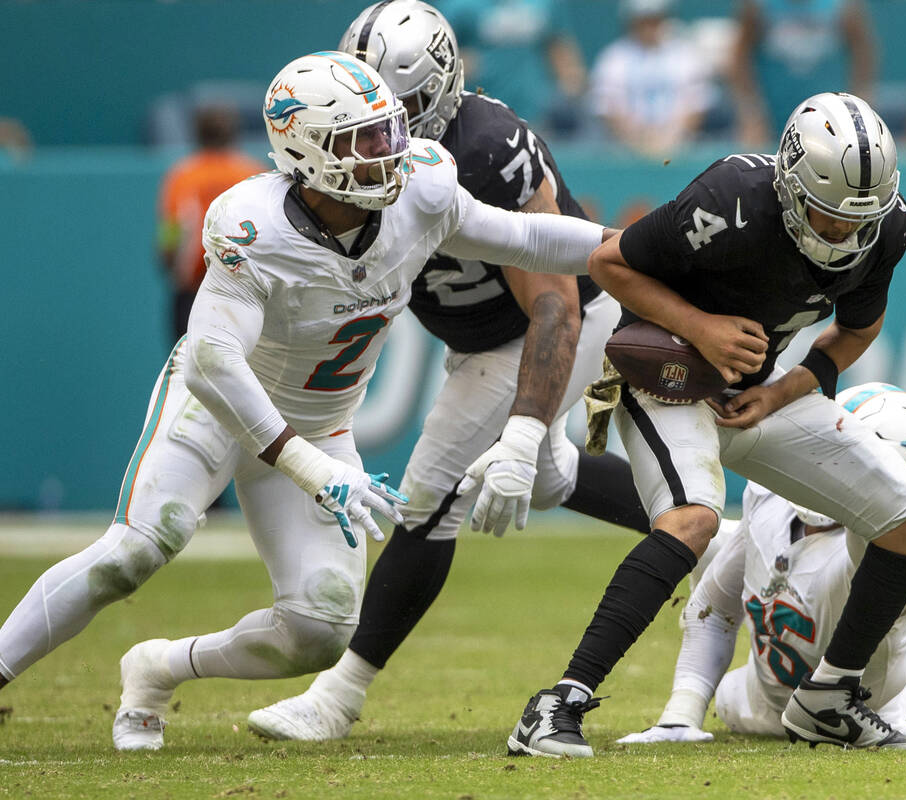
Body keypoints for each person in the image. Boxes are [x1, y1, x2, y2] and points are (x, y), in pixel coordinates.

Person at [0, 50, 614, 752]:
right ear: (305, 149)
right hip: (221, 409)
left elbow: (526, 236)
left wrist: (629, 251)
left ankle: (158, 667)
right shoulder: (251, 222)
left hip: (320, 428)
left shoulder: (424, 188)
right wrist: (307, 466)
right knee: (137, 550)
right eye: (364, 140)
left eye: (388, 132)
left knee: (321, 629)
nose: (389, 153)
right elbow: (210, 358)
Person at [244, 1, 648, 742]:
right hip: (476, 337)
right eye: (358, 114)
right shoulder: (353, 151)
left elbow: (553, 304)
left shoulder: (489, 149)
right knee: (552, 477)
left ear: (438, 95)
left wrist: (523, 431)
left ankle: (340, 696)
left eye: (392, 114)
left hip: (554, 322)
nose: (371, 136)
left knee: (433, 493)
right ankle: (703, 532)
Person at [506, 91, 906, 758]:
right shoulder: (732, 197)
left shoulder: (887, 226)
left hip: (753, 394)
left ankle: (829, 696)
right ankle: (555, 704)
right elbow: (608, 263)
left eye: (858, 219)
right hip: (667, 384)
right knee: (693, 519)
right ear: (793, 185)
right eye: (827, 216)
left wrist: (782, 393)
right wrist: (700, 328)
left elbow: (858, 329)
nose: (842, 234)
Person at [614, 383, 906, 744]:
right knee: (703, 538)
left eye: (859, 464)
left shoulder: (881, 551)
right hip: (758, 701)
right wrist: (680, 717)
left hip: (856, 704)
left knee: (872, 546)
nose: (838, 470)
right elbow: (713, 610)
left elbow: (895, 532)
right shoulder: (768, 497)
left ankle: (904, 696)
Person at [158, 105, 265, 344]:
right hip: (245, 293)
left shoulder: (182, 175)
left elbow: (170, 234)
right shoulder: (253, 173)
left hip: (193, 293)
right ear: (235, 133)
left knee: (185, 371)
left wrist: (168, 266)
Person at [729, 0, 877, 147]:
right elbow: (739, 58)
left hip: (830, 125)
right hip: (771, 124)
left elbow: (862, 51)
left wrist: (859, 107)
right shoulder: (758, 6)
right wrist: (752, 115)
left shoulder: (843, 6)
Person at [437, 0, 587, 136]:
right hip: (478, 116)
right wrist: (460, 64)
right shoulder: (460, 6)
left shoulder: (544, 4)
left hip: (535, 114)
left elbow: (558, 47)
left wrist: (571, 81)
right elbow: (437, 54)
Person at [589, 0, 716, 158]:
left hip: (681, 148)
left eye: (655, 20)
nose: (649, 27)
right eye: (643, 20)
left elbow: (697, 104)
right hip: (626, 150)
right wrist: (638, 139)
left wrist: (670, 138)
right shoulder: (613, 58)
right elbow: (608, 107)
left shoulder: (686, 55)